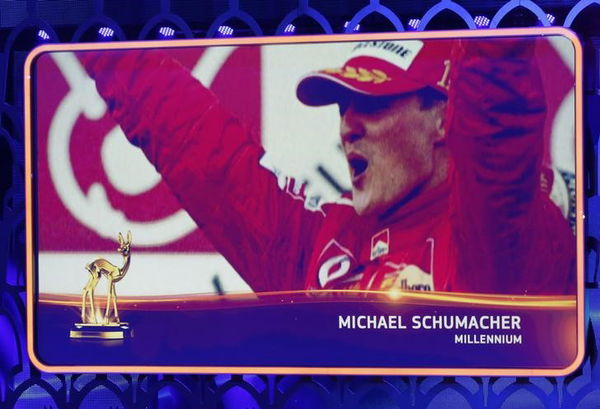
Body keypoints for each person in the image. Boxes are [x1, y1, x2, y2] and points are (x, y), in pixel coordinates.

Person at [80, 37, 576, 295]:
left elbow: (496, 118)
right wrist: (101, 40)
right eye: (342, 107)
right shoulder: (321, 244)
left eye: (372, 104)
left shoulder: (500, 242)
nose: (346, 128)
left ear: (446, 119)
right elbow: (199, 150)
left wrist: (493, 27)